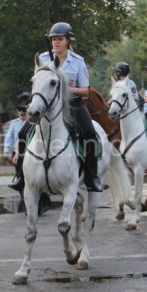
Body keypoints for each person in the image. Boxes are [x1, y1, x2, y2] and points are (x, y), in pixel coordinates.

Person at [39, 22, 101, 192]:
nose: (56, 42)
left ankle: (92, 176)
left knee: (90, 134)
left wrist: (69, 89)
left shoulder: (78, 62)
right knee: (24, 132)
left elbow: (86, 91)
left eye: (59, 39)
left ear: (67, 40)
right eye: (53, 39)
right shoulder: (43, 59)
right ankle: (22, 177)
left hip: (73, 104)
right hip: (48, 106)